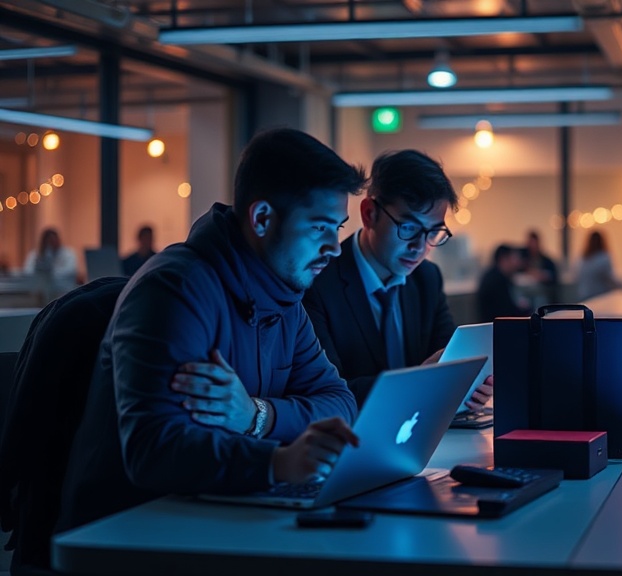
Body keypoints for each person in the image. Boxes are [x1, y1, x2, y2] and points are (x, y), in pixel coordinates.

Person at [57, 128, 367, 533]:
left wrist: (258, 416)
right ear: (261, 219)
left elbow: (340, 403)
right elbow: (155, 449)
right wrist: (277, 463)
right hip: (136, 531)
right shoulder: (175, 290)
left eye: (338, 227)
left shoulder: (285, 297)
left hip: (225, 515)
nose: (335, 246)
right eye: (319, 227)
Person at [303, 149, 493, 409]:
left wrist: (468, 384)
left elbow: (448, 358)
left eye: (433, 232)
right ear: (370, 213)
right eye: (409, 228)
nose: (420, 246)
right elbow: (328, 392)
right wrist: (418, 381)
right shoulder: (319, 281)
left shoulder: (427, 278)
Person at [477, 244, 530, 321]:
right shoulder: (496, 281)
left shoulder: (497, 276)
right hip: (496, 328)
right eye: (514, 258)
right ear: (504, 259)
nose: (517, 262)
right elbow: (507, 311)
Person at [23, 227, 78, 296]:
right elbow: (28, 272)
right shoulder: (35, 255)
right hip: (40, 292)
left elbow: (71, 271)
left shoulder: (68, 253)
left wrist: (51, 272)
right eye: (49, 241)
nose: (52, 243)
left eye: (53, 240)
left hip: (63, 291)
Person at [576, 230, 622, 301]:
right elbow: (610, 278)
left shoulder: (583, 259)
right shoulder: (603, 258)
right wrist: (621, 286)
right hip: (600, 297)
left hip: (584, 296)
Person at [521, 229, 560, 304]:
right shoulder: (523, 260)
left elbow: (554, 277)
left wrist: (542, 276)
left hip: (543, 293)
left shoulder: (547, 261)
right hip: (526, 292)